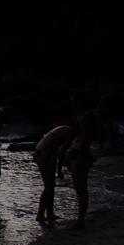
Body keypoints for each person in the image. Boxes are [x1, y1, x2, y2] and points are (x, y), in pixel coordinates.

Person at [67, 93, 97, 230]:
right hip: (76, 153)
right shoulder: (80, 115)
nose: (72, 104)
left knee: (81, 189)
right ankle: (80, 219)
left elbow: (85, 138)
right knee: (78, 188)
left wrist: (78, 158)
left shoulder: (85, 116)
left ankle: (80, 221)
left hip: (81, 154)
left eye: (74, 101)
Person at [33, 125, 73, 224]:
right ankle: (40, 215)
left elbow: (55, 150)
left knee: (51, 185)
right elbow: (62, 152)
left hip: (40, 153)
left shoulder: (63, 130)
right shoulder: (70, 133)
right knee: (49, 186)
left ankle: (50, 213)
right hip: (42, 154)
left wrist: (55, 168)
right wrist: (59, 170)